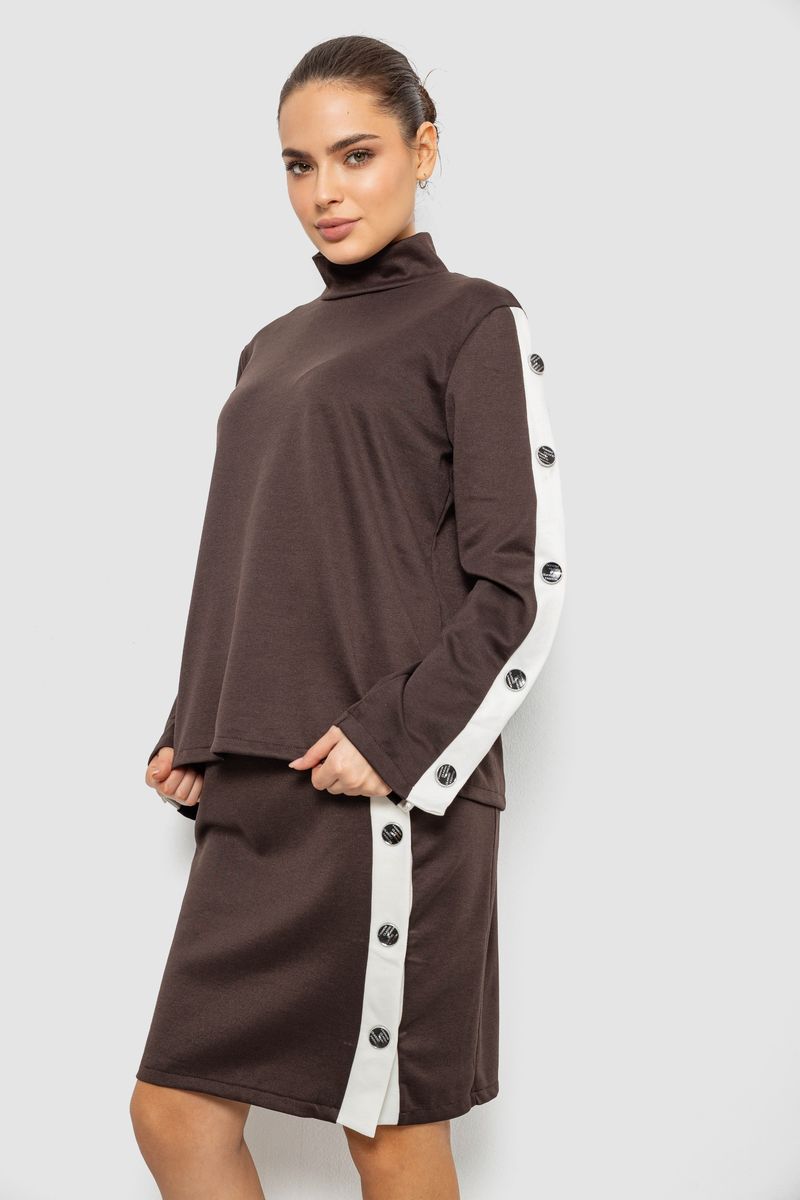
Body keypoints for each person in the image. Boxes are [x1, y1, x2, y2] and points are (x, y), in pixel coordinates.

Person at [129, 33, 566, 1200]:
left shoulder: (472, 320)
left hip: (381, 787)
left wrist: (396, 737)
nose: (324, 190)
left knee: (387, 1133)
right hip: (259, 785)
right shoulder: (270, 345)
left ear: (423, 151)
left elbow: (519, 584)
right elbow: (252, 549)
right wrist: (198, 724)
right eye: (297, 164)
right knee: (174, 1112)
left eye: (356, 155)